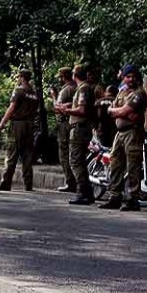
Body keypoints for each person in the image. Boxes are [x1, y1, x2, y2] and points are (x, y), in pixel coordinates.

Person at [98, 65, 146, 211]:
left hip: (133, 132)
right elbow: (111, 109)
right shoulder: (122, 92)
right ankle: (115, 196)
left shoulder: (139, 93)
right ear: (123, 77)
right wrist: (117, 111)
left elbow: (127, 110)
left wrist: (118, 111)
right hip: (119, 132)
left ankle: (133, 198)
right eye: (128, 76)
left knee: (133, 165)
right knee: (115, 164)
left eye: (133, 76)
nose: (130, 79)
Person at [0, 69, 39, 191]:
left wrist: (2, 123)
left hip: (18, 125)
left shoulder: (19, 91)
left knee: (12, 153)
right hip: (30, 125)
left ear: (22, 77)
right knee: (27, 155)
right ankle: (28, 184)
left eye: (19, 77)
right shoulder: (34, 93)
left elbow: (12, 108)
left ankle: (6, 182)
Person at [56, 64, 96, 205]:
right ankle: (88, 193)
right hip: (81, 127)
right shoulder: (82, 88)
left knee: (75, 161)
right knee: (80, 161)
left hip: (80, 128)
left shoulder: (84, 88)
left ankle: (82, 192)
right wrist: (68, 107)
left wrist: (68, 111)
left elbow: (82, 110)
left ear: (74, 75)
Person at [53, 67, 77, 192]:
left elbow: (57, 108)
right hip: (74, 123)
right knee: (74, 152)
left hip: (64, 123)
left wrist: (53, 97)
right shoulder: (77, 88)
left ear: (63, 77)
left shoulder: (65, 90)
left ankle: (70, 181)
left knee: (64, 153)